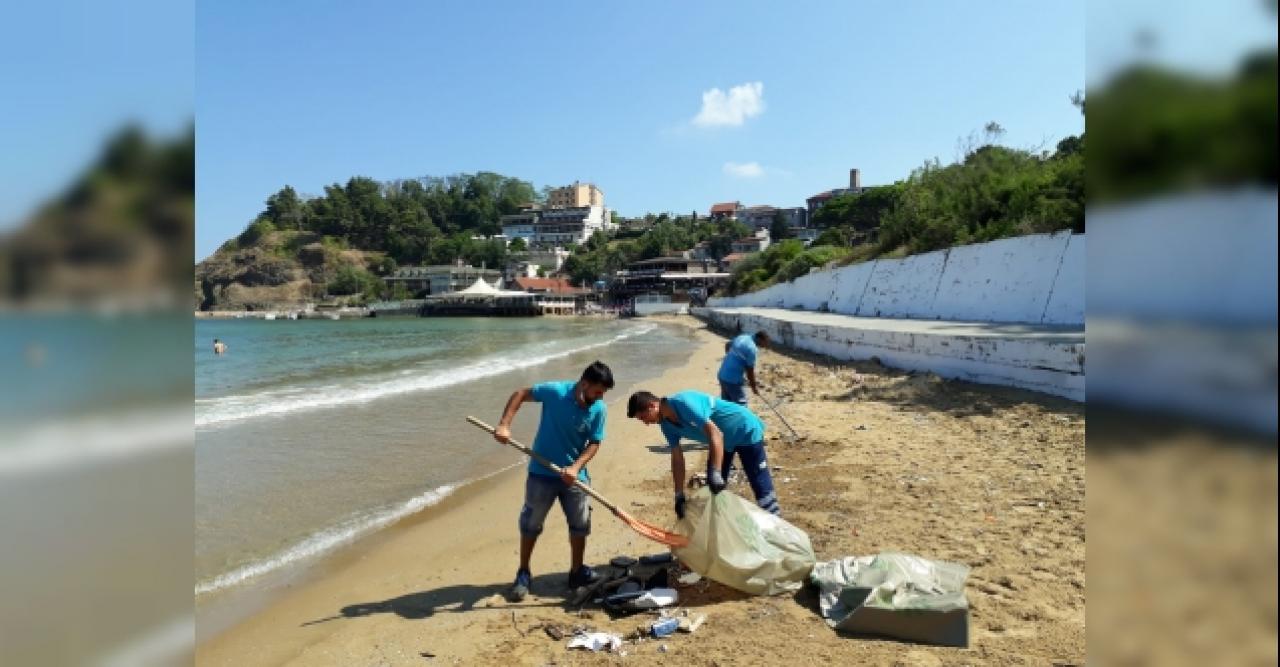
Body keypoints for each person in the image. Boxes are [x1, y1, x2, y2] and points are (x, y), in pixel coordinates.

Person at [493, 361, 615, 601]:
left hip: (575, 477)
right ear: (584, 383)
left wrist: (576, 467)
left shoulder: (599, 409)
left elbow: (594, 442)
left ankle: (576, 571)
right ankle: (524, 572)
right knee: (531, 524)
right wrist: (504, 425)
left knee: (580, 525)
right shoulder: (555, 392)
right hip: (541, 473)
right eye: (597, 391)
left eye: (603, 393)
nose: (600, 397)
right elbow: (521, 394)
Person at [626, 389, 780, 520]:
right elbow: (677, 458)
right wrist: (678, 494)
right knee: (713, 493)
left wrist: (716, 472)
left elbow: (715, 433)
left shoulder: (683, 403)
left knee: (761, 487)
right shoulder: (666, 426)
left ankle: (778, 529)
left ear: (652, 406)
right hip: (723, 442)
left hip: (744, 429)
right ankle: (723, 531)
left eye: (643, 418)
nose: (646, 423)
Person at [717, 331, 769, 405]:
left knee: (727, 406)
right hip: (733, 380)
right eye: (765, 342)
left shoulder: (742, 337)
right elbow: (750, 371)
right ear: (760, 339)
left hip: (722, 375)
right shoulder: (752, 349)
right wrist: (754, 387)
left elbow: (727, 345)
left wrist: (732, 359)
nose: (765, 345)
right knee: (742, 406)